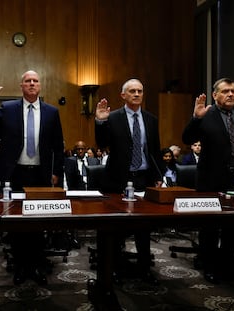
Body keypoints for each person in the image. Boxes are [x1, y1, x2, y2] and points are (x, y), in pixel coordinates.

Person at [0, 71, 64, 285]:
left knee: (37, 223)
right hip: (15, 174)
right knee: (17, 223)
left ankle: (36, 264)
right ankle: (21, 265)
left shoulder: (52, 112)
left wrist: (57, 173)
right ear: (21, 85)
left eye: (35, 80)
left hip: (41, 175)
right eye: (28, 81)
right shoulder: (8, 109)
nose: (32, 83)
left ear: (40, 85)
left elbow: (58, 146)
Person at [182, 77, 234, 283]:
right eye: (225, 91)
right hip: (211, 180)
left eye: (233, 91)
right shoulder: (206, 115)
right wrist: (196, 118)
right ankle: (210, 265)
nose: (231, 94)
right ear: (215, 95)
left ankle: (227, 262)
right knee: (210, 227)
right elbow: (187, 139)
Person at [95, 78, 162, 285]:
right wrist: (100, 122)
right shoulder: (112, 117)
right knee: (116, 228)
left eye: (140, 91)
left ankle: (144, 268)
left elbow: (155, 150)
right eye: (132, 91)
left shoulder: (150, 119)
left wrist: (159, 176)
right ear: (123, 95)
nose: (136, 94)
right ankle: (113, 267)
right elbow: (103, 143)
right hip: (117, 179)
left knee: (144, 227)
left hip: (143, 178)